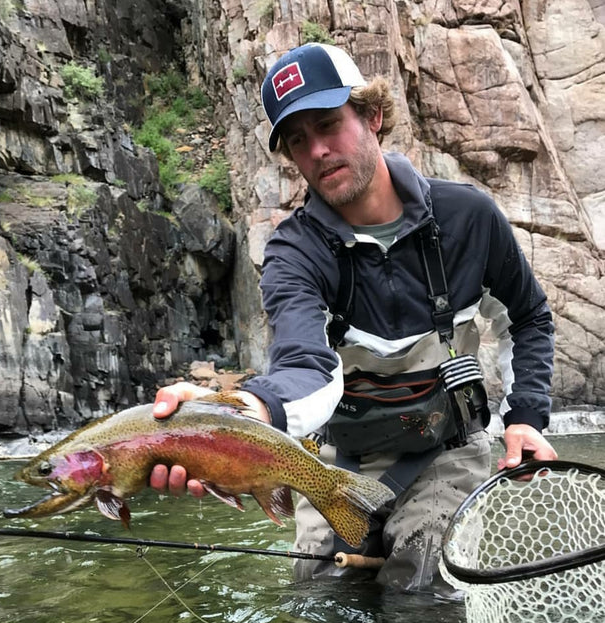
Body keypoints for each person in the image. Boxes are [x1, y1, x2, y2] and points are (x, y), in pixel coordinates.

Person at [149, 43, 558, 591]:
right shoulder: (292, 253)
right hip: (334, 459)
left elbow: (528, 318)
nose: (317, 150)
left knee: (423, 592)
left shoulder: (468, 219)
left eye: (329, 125)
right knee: (323, 604)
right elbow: (304, 366)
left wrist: (525, 417)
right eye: (298, 139)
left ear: (372, 115)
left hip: (446, 450)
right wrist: (242, 410)